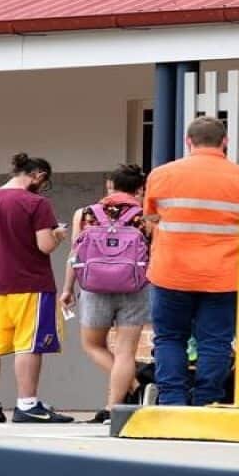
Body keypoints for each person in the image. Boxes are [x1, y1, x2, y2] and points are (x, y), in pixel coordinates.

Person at [144, 117, 239, 406]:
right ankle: (208, 401)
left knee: (170, 338)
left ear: (188, 142)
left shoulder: (161, 175)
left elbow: (151, 218)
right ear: (225, 142)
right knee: (215, 343)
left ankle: (172, 401)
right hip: (223, 276)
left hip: (171, 272)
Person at [0, 153, 73, 423]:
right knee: (28, 345)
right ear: (38, 175)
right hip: (31, 284)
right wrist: (59, 235)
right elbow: (45, 245)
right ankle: (27, 404)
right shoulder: (36, 203)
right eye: (44, 181)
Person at [60, 164, 151, 424]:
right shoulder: (146, 215)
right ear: (140, 189)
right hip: (135, 288)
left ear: (111, 186)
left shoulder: (85, 214)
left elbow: (74, 255)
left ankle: (135, 387)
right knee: (125, 352)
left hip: (94, 287)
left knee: (93, 345)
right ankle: (114, 407)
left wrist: (67, 289)